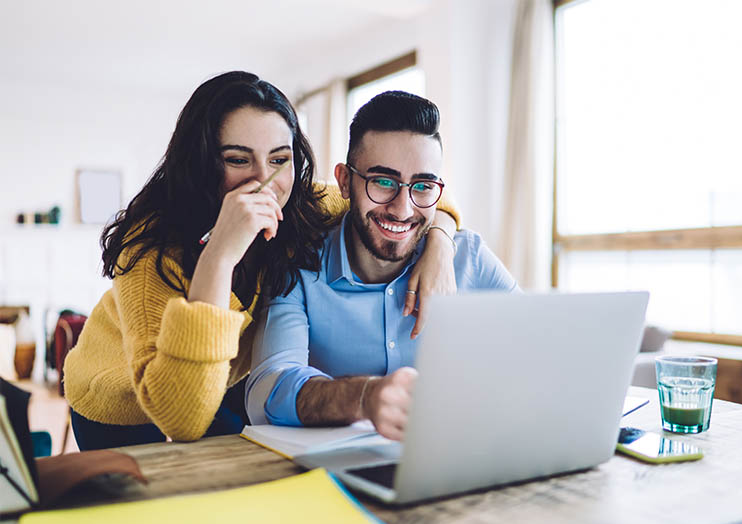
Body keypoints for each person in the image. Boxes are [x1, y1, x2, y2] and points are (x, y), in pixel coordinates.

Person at [63, 73, 461, 450]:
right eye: (238, 159)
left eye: (278, 159)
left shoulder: (305, 204)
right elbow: (180, 417)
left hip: (222, 380)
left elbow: (407, 197)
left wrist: (440, 245)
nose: (263, 182)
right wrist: (220, 253)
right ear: (201, 161)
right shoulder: (149, 249)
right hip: (122, 397)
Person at [247, 91, 518, 441]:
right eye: (383, 182)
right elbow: (266, 389)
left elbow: (541, 351)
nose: (402, 209)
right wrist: (363, 397)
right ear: (344, 181)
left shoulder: (469, 259)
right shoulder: (300, 266)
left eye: (422, 186)